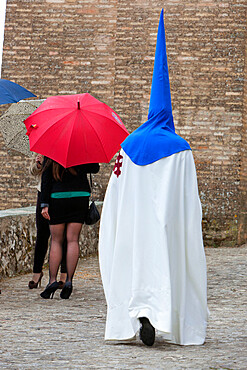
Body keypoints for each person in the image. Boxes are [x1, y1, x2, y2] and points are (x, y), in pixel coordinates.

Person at [98, 10, 208, 347]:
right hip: (165, 226)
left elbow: (114, 192)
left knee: (136, 265)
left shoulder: (128, 145)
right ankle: (165, 317)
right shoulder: (179, 149)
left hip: (134, 225)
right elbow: (190, 202)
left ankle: (138, 313)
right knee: (168, 264)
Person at [40, 158, 99, 299]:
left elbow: (46, 179)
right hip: (80, 196)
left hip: (58, 197)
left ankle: (52, 281)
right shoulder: (83, 149)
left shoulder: (51, 152)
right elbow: (94, 168)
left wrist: (44, 204)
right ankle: (69, 282)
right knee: (73, 240)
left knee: (56, 241)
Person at [28, 153, 67, 289]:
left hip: (61, 192)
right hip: (43, 191)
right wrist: (39, 164)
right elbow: (32, 171)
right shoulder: (41, 148)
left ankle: (64, 274)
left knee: (64, 236)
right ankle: (37, 273)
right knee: (42, 235)